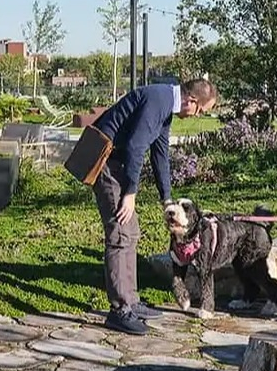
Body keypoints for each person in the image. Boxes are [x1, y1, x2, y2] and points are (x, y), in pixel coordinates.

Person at [90, 78, 219, 335]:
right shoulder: (158, 100)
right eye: (201, 111)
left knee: (132, 232)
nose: (197, 115)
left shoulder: (165, 108)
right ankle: (120, 310)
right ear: (191, 101)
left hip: (118, 166)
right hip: (106, 163)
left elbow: (160, 154)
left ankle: (132, 301)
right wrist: (130, 192)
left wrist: (167, 198)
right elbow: (135, 148)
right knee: (119, 234)